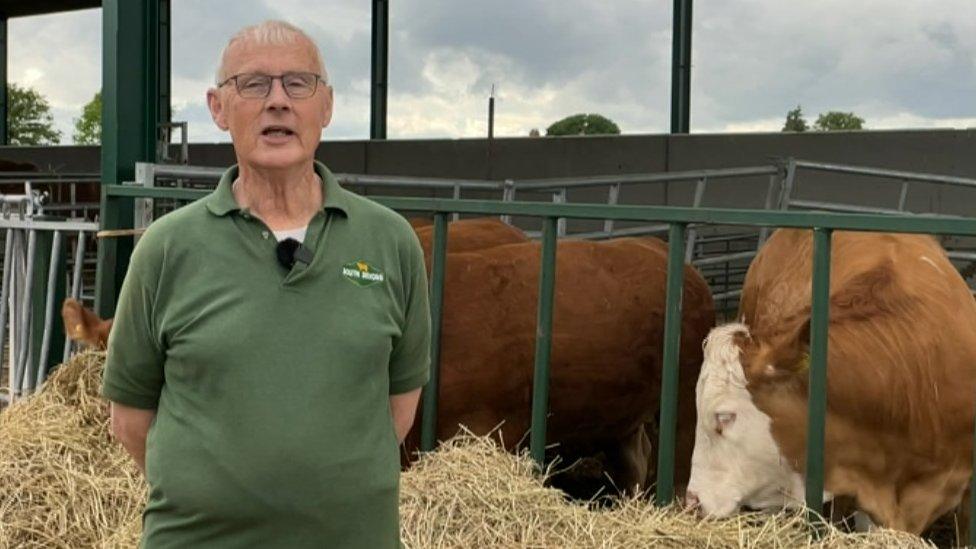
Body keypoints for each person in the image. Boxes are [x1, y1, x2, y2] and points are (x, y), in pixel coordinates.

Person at [102, 20, 430, 548]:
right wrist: (213, 493)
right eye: (253, 84)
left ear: (326, 106)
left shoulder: (391, 242)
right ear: (217, 107)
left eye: (298, 84)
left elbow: (398, 406)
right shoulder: (166, 249)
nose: (278, 101)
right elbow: (130, 417)